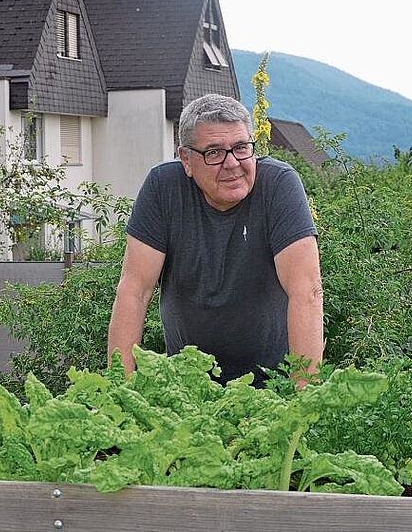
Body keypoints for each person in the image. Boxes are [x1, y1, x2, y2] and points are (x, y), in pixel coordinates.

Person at [107, 93, 324, 388]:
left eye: (241, 148)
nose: (232, 163)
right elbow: (134, 291)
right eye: (214, 152)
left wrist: (304, 399)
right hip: (188, 388)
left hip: (275, 385)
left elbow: (306, 291)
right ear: (186, 159)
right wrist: (121, 390)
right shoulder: (163, 189)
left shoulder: (279, 185)